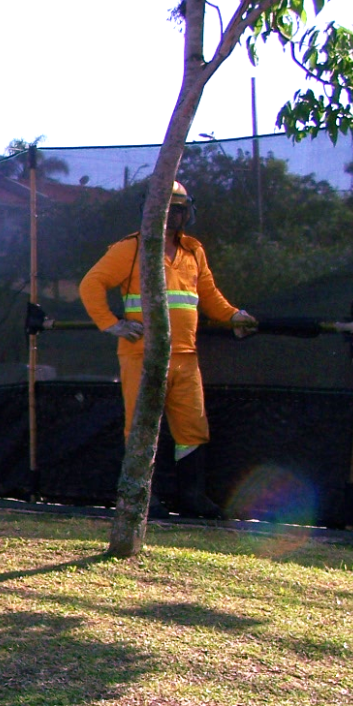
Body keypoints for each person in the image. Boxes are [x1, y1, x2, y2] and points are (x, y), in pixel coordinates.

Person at [79, 182, 256, 517]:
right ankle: (145, 499)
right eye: (170, 208)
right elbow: (91, 283)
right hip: (142, 356)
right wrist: (110, 323)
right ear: (152, 210)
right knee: (142, 426)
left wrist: (234, 315)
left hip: (186, 357)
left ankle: (192, 498)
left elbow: (209, 294)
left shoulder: (193, 251)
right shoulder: (131, 248)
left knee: (192, 428)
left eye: (180, 208)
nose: (177, 214)